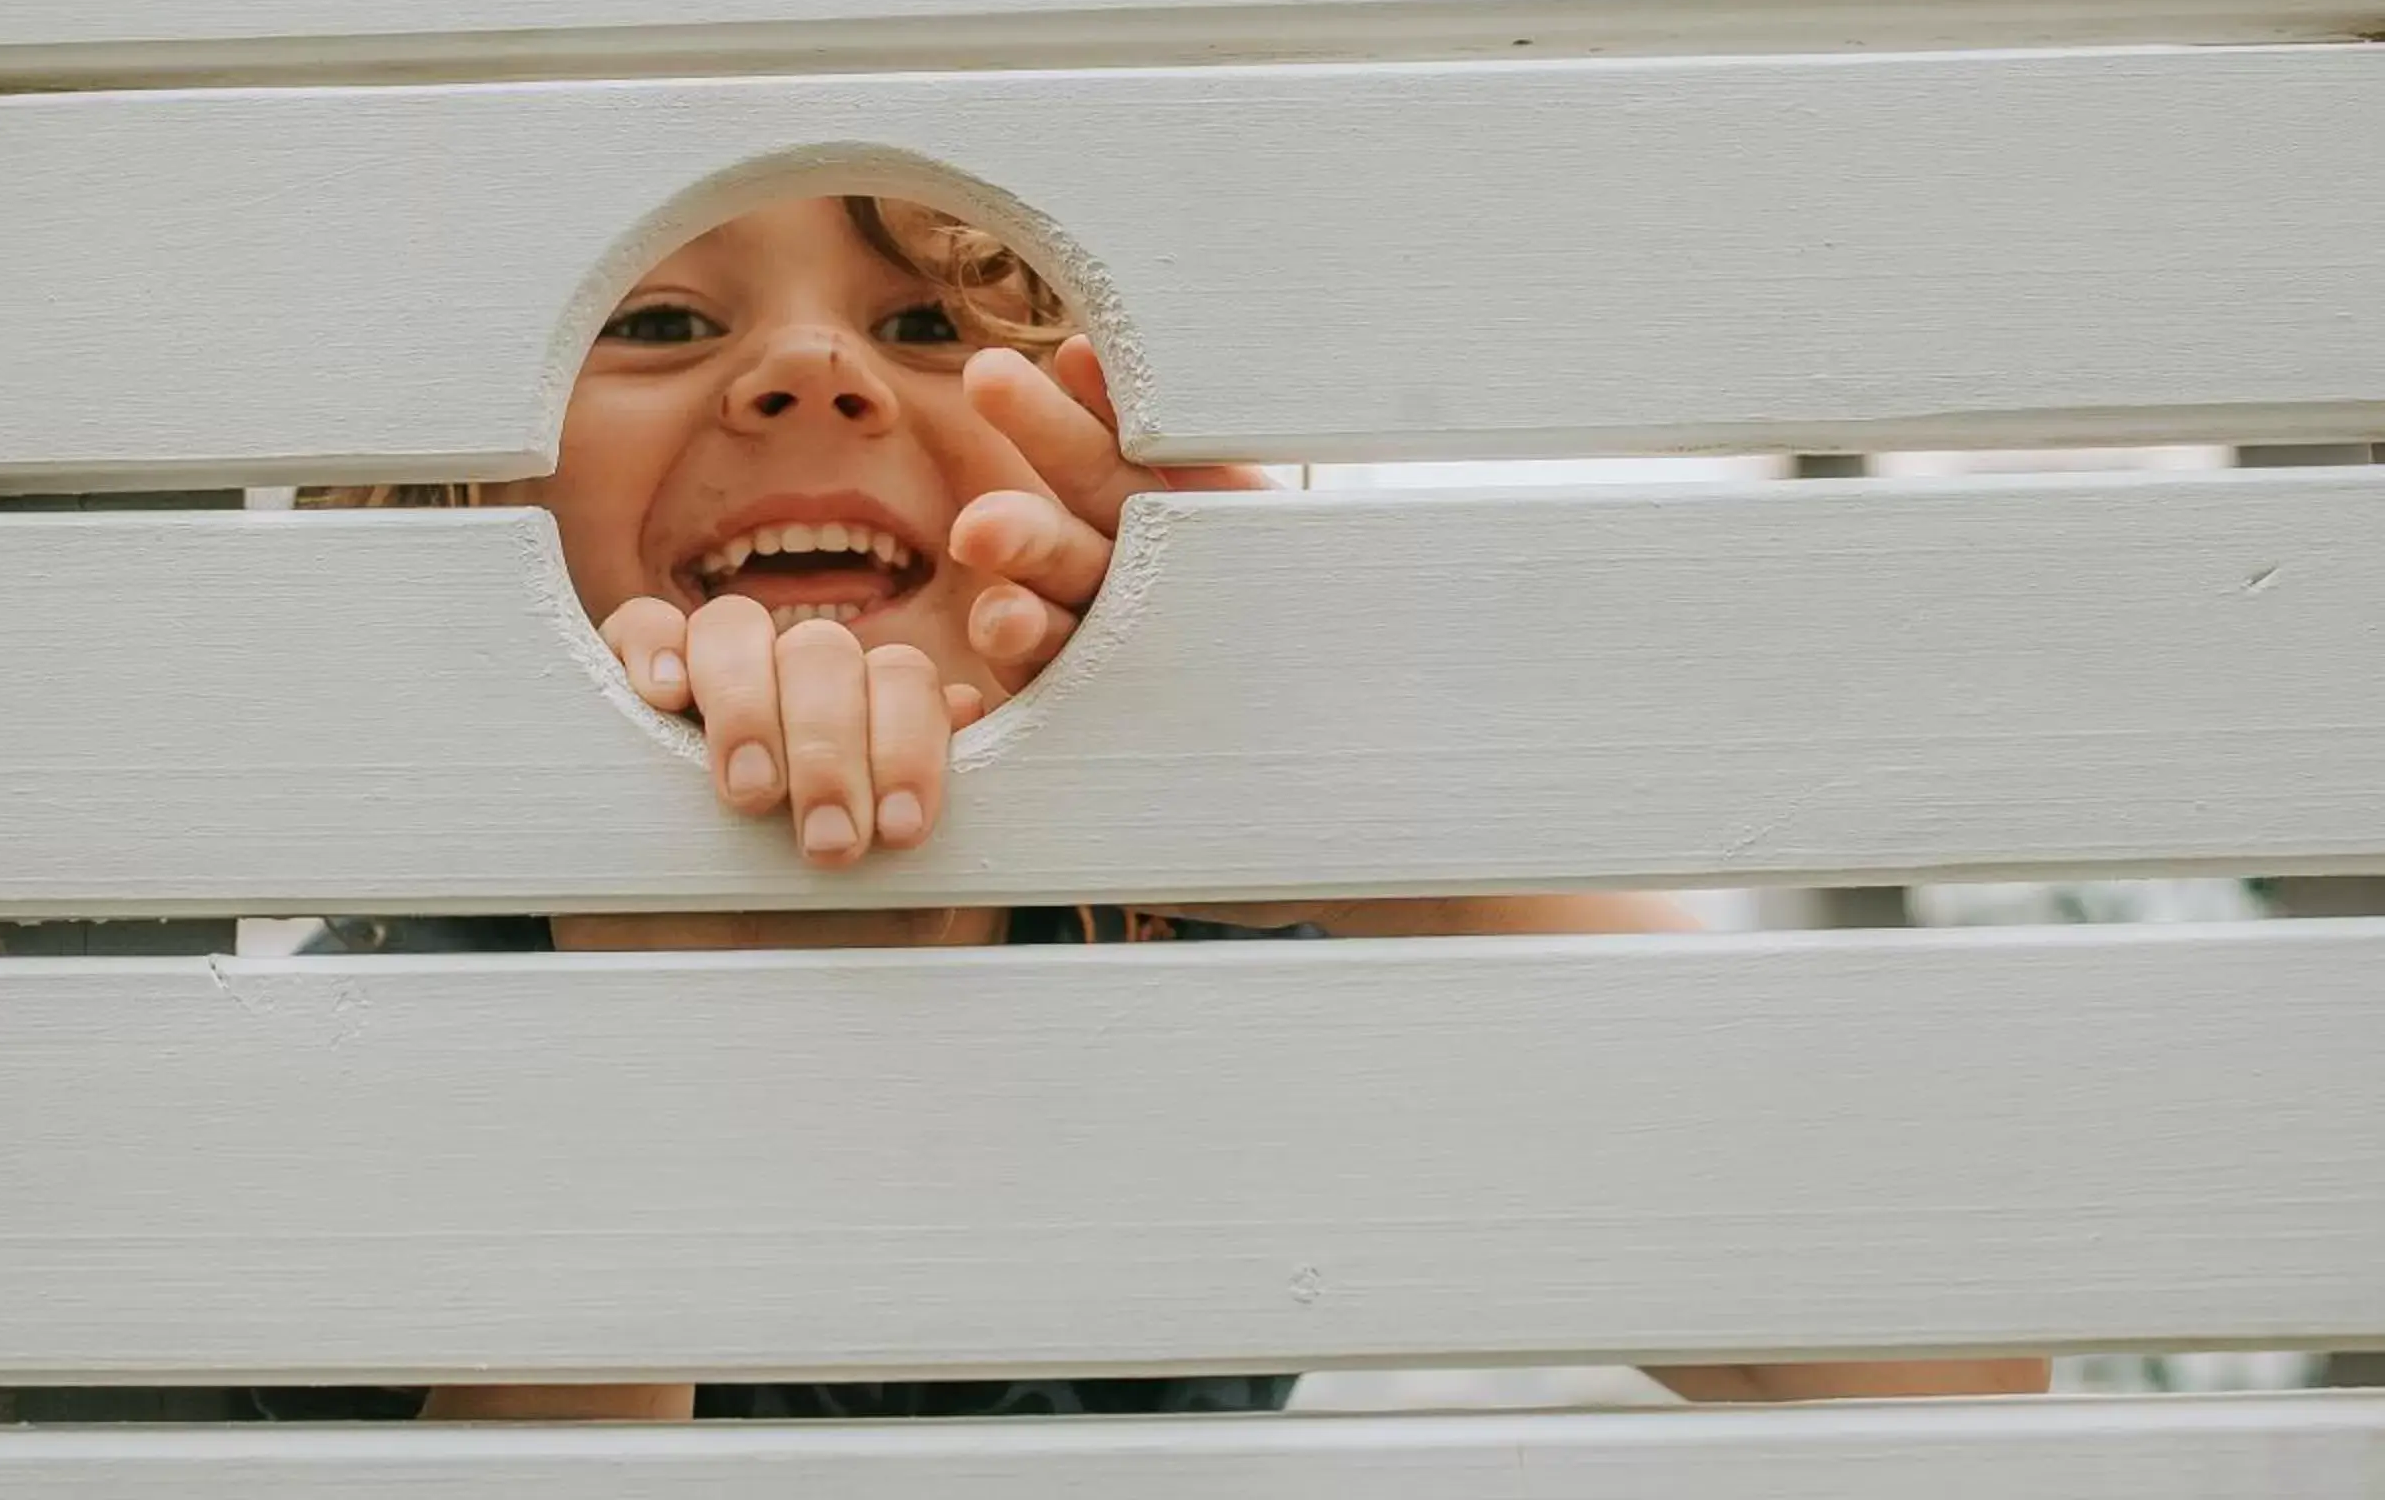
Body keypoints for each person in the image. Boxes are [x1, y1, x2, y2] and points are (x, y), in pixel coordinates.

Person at [298, 193, 2048, 1420]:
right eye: (667, 319)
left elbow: (1954, 1374)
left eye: (925, 323)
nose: (811, 374)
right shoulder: (347, 1010)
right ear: (460, 483)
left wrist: (1357, 828)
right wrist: (664, 1076)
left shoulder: (1205, 933)